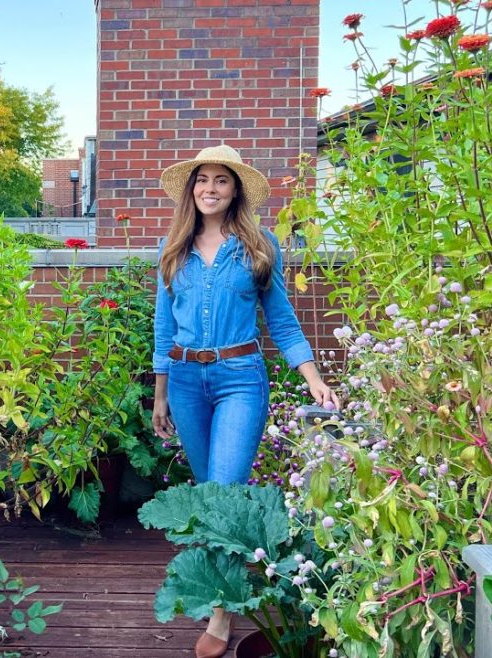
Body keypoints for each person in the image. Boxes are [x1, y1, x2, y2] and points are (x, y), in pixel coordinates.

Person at [150, 144, 339, 658]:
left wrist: (313, 378)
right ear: (192, 190)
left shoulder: (259, 246)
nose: (209, 189)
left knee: (226, 491)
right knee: (208, 495)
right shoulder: (174, 248)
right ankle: (224, 588)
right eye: (202, 180)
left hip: (239, 378)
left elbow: (280, 319)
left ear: (235, 191)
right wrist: (161, 394)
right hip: (186, 381)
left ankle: (220, 612)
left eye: (221, 181)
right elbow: (164, 326)